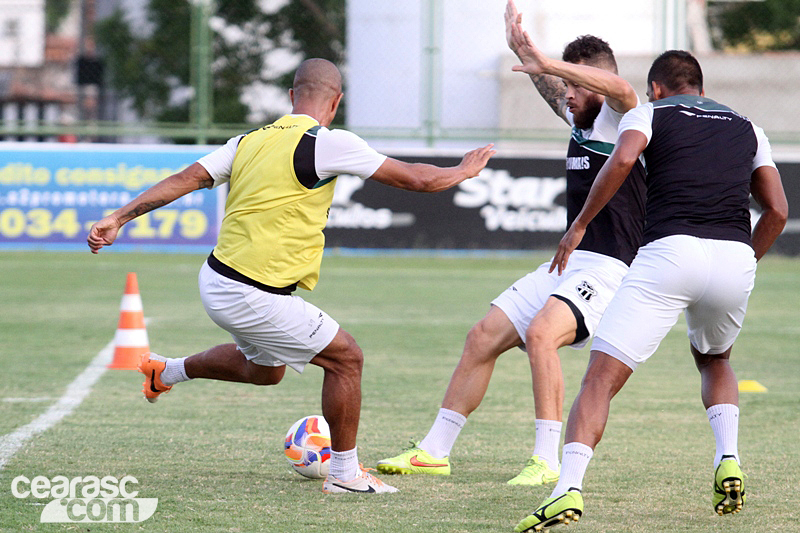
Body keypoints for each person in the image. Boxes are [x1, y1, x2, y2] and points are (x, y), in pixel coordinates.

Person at [87, 58, 496, 495]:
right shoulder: (328, 142)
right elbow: (416, 179)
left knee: (265, 372)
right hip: (251, 292)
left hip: (218, 279)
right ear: (335, 103)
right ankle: (344, 474)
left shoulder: (248, 140)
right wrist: (463, 171)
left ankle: (165, 372)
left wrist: (119, 217)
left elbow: (186, 178)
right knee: (346, 359)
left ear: (290, 97)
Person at [515, 50, 788, 532]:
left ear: (657, 89)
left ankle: (567, 489)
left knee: (600, 376)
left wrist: (579, 224)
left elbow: (622, 158)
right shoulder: (750, 127)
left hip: (669, 253)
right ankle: (728, 457)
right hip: (732, 257)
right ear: (701, 88)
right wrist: (746, 261)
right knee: (716, 360)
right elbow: (778, 212)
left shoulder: (649, 113)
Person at [376, 0, 645, 486]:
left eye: (575, 86)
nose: (566, 95)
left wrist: (551, 62)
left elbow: (623, 89)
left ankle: (547, 460)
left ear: (597, 86)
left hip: (610, 270)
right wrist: (523, 54)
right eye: (565, 87)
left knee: (542, 334)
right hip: (568, 265)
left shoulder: (624, 120)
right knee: (482, 336)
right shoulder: (582, 119)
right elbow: (558, 88)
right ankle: (435, 449)